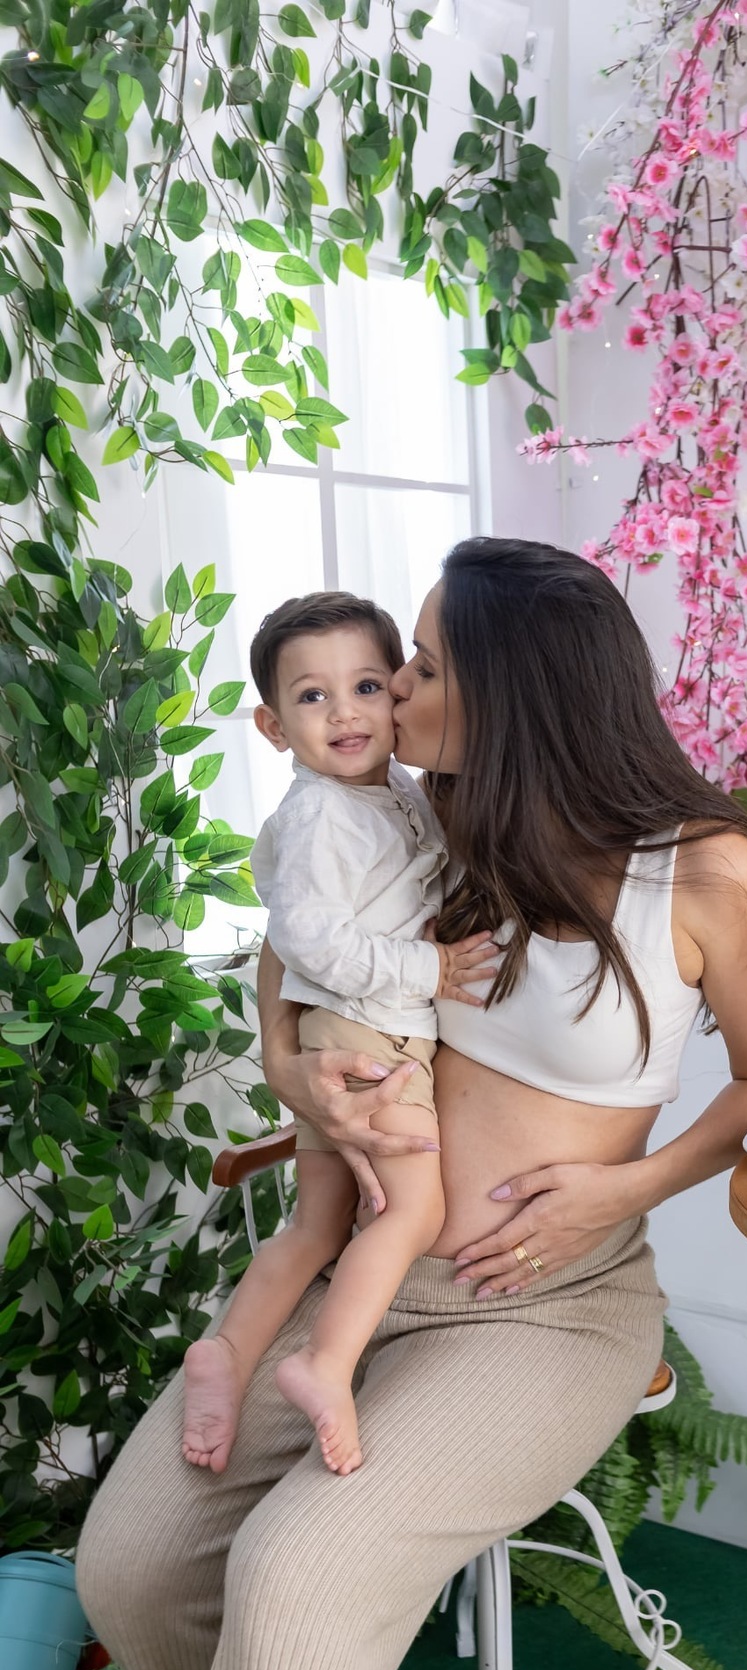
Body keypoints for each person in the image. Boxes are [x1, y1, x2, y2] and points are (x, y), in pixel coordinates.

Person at [76, 537, 747, 1670]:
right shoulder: (435, 815)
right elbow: (295, 936)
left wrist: (627, 1188)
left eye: (419, 664)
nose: (391, 690)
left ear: (514, 691)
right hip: (361, 1278)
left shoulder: (705, 874)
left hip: (542, 1306)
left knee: (295, 1578)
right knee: (131, 1567)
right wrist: (287, 1065)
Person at [181, 591, 498, 1479]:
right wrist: (429, 969)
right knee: (412, 1210)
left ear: (396, 693)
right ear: (274, 727)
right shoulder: (324, 814)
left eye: (365, 685)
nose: (346, 713)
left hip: (347, 1030)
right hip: (370, 1033)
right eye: (312, 697)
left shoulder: (390, 793)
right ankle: (326, 1362)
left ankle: (226, 1354)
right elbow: (308, 939)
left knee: (318, 1221)